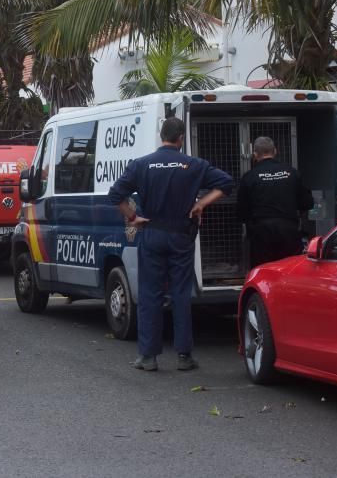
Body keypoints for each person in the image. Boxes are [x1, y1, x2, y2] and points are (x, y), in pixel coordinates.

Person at [108, 117, 234, 372]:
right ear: (181, 139)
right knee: (180, 294)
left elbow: (115, 195)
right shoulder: (194, 165)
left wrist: (133, 217)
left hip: (152, 234)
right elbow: (226, 183)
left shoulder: (141, 165)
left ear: (161, 136)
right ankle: (184, 355)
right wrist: (201, 203)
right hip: (181, 236)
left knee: (150, 294)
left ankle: (148, 356)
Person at [237, 136, 313, 268]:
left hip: (261, 230)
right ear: (275, 151)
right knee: (289, 267)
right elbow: (307, 203)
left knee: (263, 269)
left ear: (255, 154)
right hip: (288, 228)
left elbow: (242, 211)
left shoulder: (249, 176)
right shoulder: (291, 172)